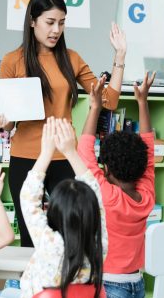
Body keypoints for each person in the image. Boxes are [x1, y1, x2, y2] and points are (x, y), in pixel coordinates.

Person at [0, 0, 126, 247]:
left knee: (74, 233)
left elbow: (110, 100)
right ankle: (36, 289)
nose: (56, 30)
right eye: (50, 22)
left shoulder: (71, 59)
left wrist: (119, 57)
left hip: (65, 156)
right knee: (31, 237)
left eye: (61, 23)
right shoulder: (12, 61)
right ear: (32, 21)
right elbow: (9, 121)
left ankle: (69, 287)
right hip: (26, 157)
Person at [76, 71, 156, 298]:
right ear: (140, 168)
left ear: (107, 169)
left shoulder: (108, 196)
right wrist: (143, 102)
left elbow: (84, 153)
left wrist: (94, 108)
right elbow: (149, 150)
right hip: (137, 283)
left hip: (108, 284)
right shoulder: (146, 195)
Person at [19, 117, 107, 298]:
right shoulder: (99, 244)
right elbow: (97, 196)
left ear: (54, 213)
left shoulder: (51, 244)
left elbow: (28, 198)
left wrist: (46, 153)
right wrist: (70, 152)